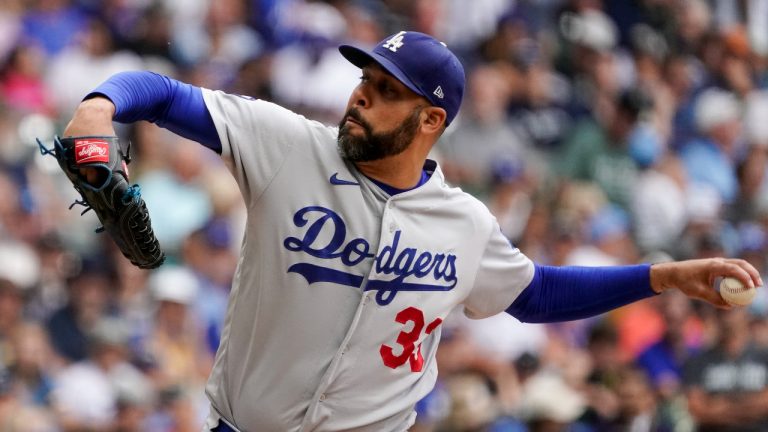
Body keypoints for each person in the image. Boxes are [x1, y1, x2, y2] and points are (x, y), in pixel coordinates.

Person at [59, 30, 761, 432]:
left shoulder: (463, 223)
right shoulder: (288, 145)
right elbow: (159, 93)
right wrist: (99, 105)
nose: (362, 93)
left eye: (387, 89)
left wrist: (662, 276)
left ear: (430, 120)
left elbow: (536, 295)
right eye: (365, 78)